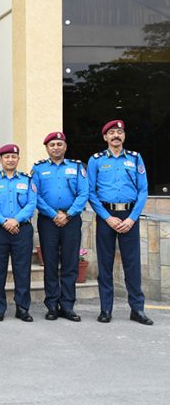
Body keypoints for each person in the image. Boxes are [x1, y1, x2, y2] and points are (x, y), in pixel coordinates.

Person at [87, 119, 152, 325]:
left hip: (129, 216)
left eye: (119, 132)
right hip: (106, 216)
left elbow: (143, 190)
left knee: (132, 264)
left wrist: (132, 218)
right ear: (105, 137)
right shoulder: (96, 160)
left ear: (124, 136)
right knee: (105, 265)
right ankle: (106, 309)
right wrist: (107, 217)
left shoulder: (134, 158)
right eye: (112, 132)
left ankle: (137, 309)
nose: (116, 135)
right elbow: (90, 191)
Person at [31, 131, 88, 322]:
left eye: (59, 144)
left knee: (70, 263)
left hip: (71, 220)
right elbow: (35, 196)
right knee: (50, 263)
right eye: (52, 145)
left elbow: (83, 193)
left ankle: (68, 306)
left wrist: (69, 214)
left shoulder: (77, 167)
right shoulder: (38, 169)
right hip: (49, 220)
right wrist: (54, 214)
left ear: (65, 147)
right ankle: (52, 306)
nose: (56, 147)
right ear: (47, 148)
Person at [0, 144, 38, 322]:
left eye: (13, 157)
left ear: (18, 159)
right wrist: (3, 221)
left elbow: (32, 203)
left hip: (21, 229)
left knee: (22, 270)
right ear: (0, 160)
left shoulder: (27, 180)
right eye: (6, 157)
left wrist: (15, 220)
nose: (10, 160)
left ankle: (22, 308)